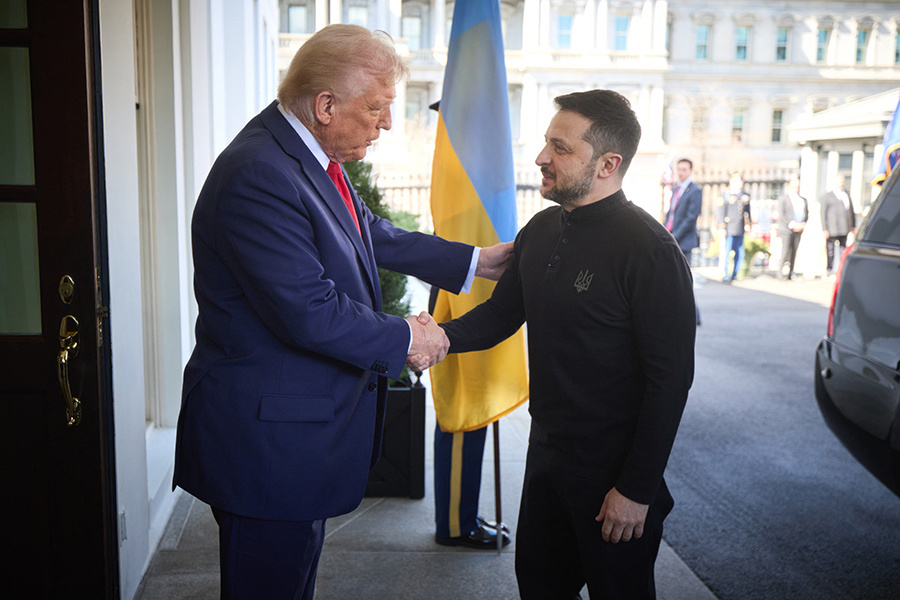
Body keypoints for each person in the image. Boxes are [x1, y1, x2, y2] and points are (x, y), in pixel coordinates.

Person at [173, 25, 512, 600]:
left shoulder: (299, 152)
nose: (385, 123)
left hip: (289, 436)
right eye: (377, 108)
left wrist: (479, 260)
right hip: (269, 446)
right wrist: (410, 334)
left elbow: (368, 232)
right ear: (326, 105)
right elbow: (310, 311)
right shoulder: (260, 171)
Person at [419, 90, 696, 599]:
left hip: (615, 477)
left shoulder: (650, 251)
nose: (542, 157)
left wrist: (635, 490)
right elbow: (502, 315)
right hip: (546, 463)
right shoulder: (541, 229)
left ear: (609, 164)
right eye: (547, 143)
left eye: (561, 148)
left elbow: (670, 381)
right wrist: (440, 337)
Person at [426, 288, 511, 550]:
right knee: (463, 413)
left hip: (467, 303)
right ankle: (456, 525)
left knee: (470, 412)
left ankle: (462, 517)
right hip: (464, 305)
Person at [664, 157, 703, 324]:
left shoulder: (695, 191)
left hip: (683, 241)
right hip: (671, 237)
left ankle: (695, 316)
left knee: (684, 280)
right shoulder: (676, 189)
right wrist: (664, 231)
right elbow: (670, 214)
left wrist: (674, 236)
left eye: (684, 170)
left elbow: (690, 218)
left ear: (690, 171)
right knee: (672, 279)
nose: (680, 172)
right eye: (678, 169)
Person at [715, 173, 751, 282]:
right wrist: (722, 226)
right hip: (729, 227)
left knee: (739, 252)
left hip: (740, 227)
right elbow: (720, 211)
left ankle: (735, 274)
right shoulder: (725, 195)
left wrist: (748, 224)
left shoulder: (744, 195)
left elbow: (748, 212)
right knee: (727, 252)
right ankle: (726, 274)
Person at [820, 173, 857, 274]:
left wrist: (853, 226)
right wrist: (824, 228)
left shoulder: (846, 195)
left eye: (842, 181)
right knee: (830, 250)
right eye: (839, 181)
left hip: (844, 228)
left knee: (843, 250)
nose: (841, 183)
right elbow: (823, 213)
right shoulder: (827, 196)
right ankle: (829, 269)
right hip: (832, 228)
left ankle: (840, 271)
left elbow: (851, 211)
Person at [776, 176, 807, 280]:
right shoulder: (784, 198)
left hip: (799, 228)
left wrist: (802, 224)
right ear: (789, 186)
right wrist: (792, 224)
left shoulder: (802, 200)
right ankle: (780, 273)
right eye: (794, 187)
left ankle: (791, 272)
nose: (796, 189)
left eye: (798, 187)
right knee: (785, 251)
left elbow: (806, 213)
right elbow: (782, 214)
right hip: (787, 229)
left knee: (794, 251)